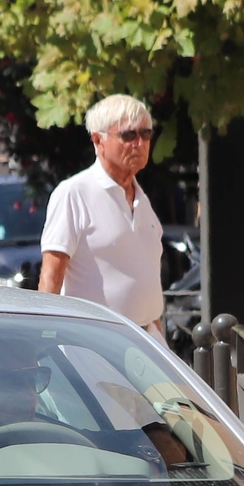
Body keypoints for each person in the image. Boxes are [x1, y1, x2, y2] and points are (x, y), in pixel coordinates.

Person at [38, 94, 164, 333]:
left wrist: (159, 342)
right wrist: (43, 338)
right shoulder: (73, 193)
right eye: (128, 135)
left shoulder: (142, 200)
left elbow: (148, 284)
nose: (139, 143)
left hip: (146, 342)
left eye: (145, 134)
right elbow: (51, 278)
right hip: (94, 344)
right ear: (98, 140)